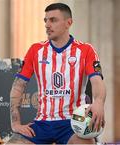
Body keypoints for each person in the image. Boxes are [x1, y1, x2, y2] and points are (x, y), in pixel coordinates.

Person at [8, 2, 106, 144]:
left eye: (53, 20)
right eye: (45, 20)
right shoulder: (35, 50)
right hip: (41, 124)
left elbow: (97, 82)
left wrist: (98, 102)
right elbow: (18, 87)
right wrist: (15, 124)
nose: (47, 25)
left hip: (72, 124)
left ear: (68, 23)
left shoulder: (85, 50)